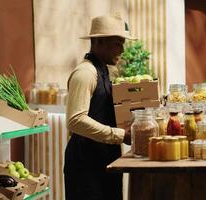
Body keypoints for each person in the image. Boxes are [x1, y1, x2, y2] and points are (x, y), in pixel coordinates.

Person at [64, 14, 135, 200]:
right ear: (99, 42)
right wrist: (120, 135)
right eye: (117, 44)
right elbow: (75, 120)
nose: (123, 50)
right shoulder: (85, 73)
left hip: (104, 157)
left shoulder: (101, 70)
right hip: (85, 164)